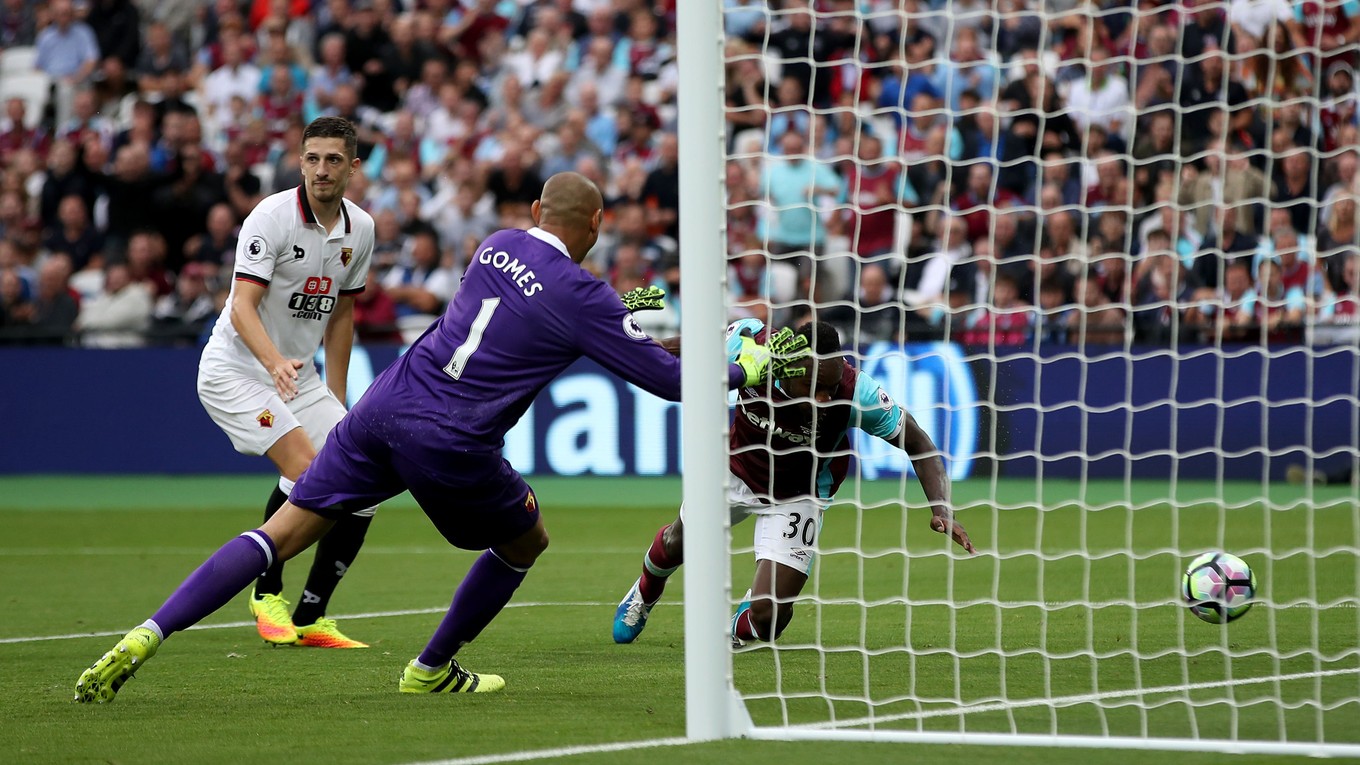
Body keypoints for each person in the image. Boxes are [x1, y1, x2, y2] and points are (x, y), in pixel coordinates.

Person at [74, 172, 809, 702]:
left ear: (533, 211)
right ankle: (430, 666)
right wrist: (743, 364)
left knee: (282, 529)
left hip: (384, 403)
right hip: (451, 437)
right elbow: (669, 377)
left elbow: (585, 307)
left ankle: (147, 631)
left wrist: (646, 313)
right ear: (593, 230)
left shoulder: (494, 245)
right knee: (526, 541)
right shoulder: (583, 294)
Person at [611, 319, 977, 648]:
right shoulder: (752, 347)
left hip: (799, 494)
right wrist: (642, 348)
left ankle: (741, 621)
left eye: (830, 388)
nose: (824, 399)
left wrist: (941, 509)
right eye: (813, 386)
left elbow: (919, 443)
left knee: (769, 619)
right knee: (678, 543)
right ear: (789, 368)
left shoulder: (856, 392)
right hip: (736, 471)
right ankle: (644, 594)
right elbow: (694, 343)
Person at [197, 116, 377, 650]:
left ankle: (312, 614)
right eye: (313, 158)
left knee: (366, 477)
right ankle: (266, 590)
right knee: (309, 472)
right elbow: (242, 305)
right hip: (237, 371)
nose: (322, 170)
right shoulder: (270, 218)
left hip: (300, 377)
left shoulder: (360, 230)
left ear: (353, 167)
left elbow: (343, 315)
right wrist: (275, 361)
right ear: (300, 161)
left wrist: (338, 398)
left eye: (334, 160)